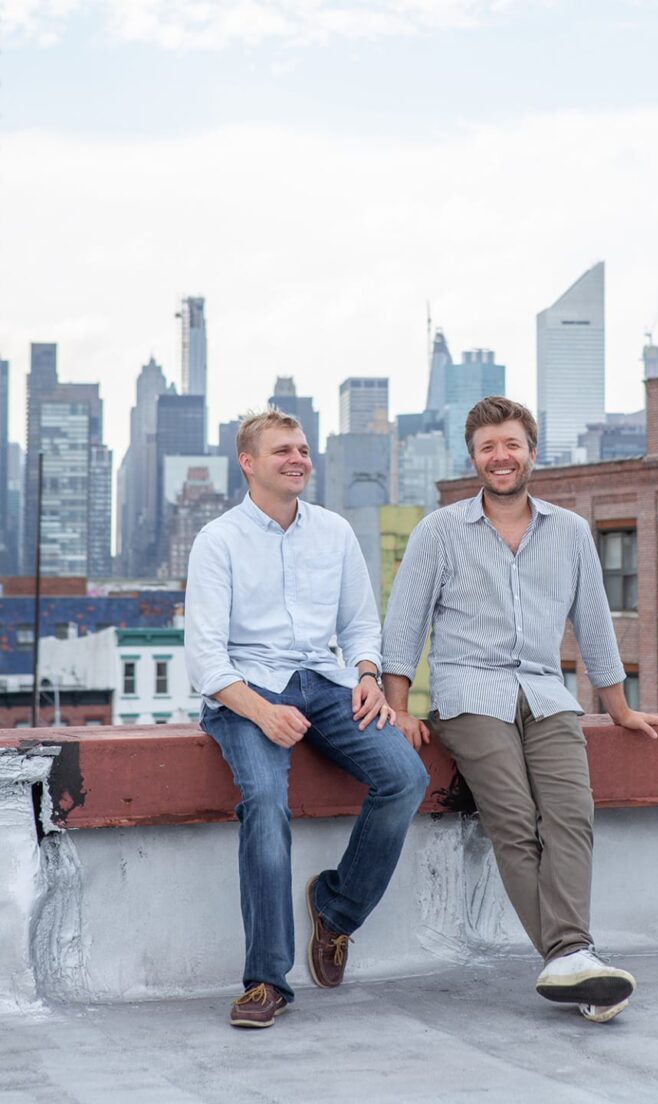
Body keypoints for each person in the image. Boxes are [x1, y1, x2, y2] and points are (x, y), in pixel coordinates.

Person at [382, 396, 658, 1024]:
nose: (500, 456)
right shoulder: (439, 531)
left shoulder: (569, 531)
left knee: (571, 813)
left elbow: (593, 623)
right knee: (513, 818)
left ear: (532, 453)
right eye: (487, 447)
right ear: (474, 459)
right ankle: (573, 955)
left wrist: (620, 709)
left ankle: (572, 964)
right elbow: (404, 626)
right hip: (468, 696)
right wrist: (399, 709)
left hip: (545, 693)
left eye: (511, 444)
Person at [185, 409, 428, 1029]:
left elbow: (360, 624)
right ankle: (266, 980)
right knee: (266, 801)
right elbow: (206, 660)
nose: (298, 459)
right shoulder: (218, 540)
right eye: (282, 451)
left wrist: (368, 676)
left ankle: (336, 911)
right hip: (247, 691)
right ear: (248, 463)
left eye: (302, 449)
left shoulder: (334, 532)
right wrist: (263, 712)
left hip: (327, 683)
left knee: (406, 777)